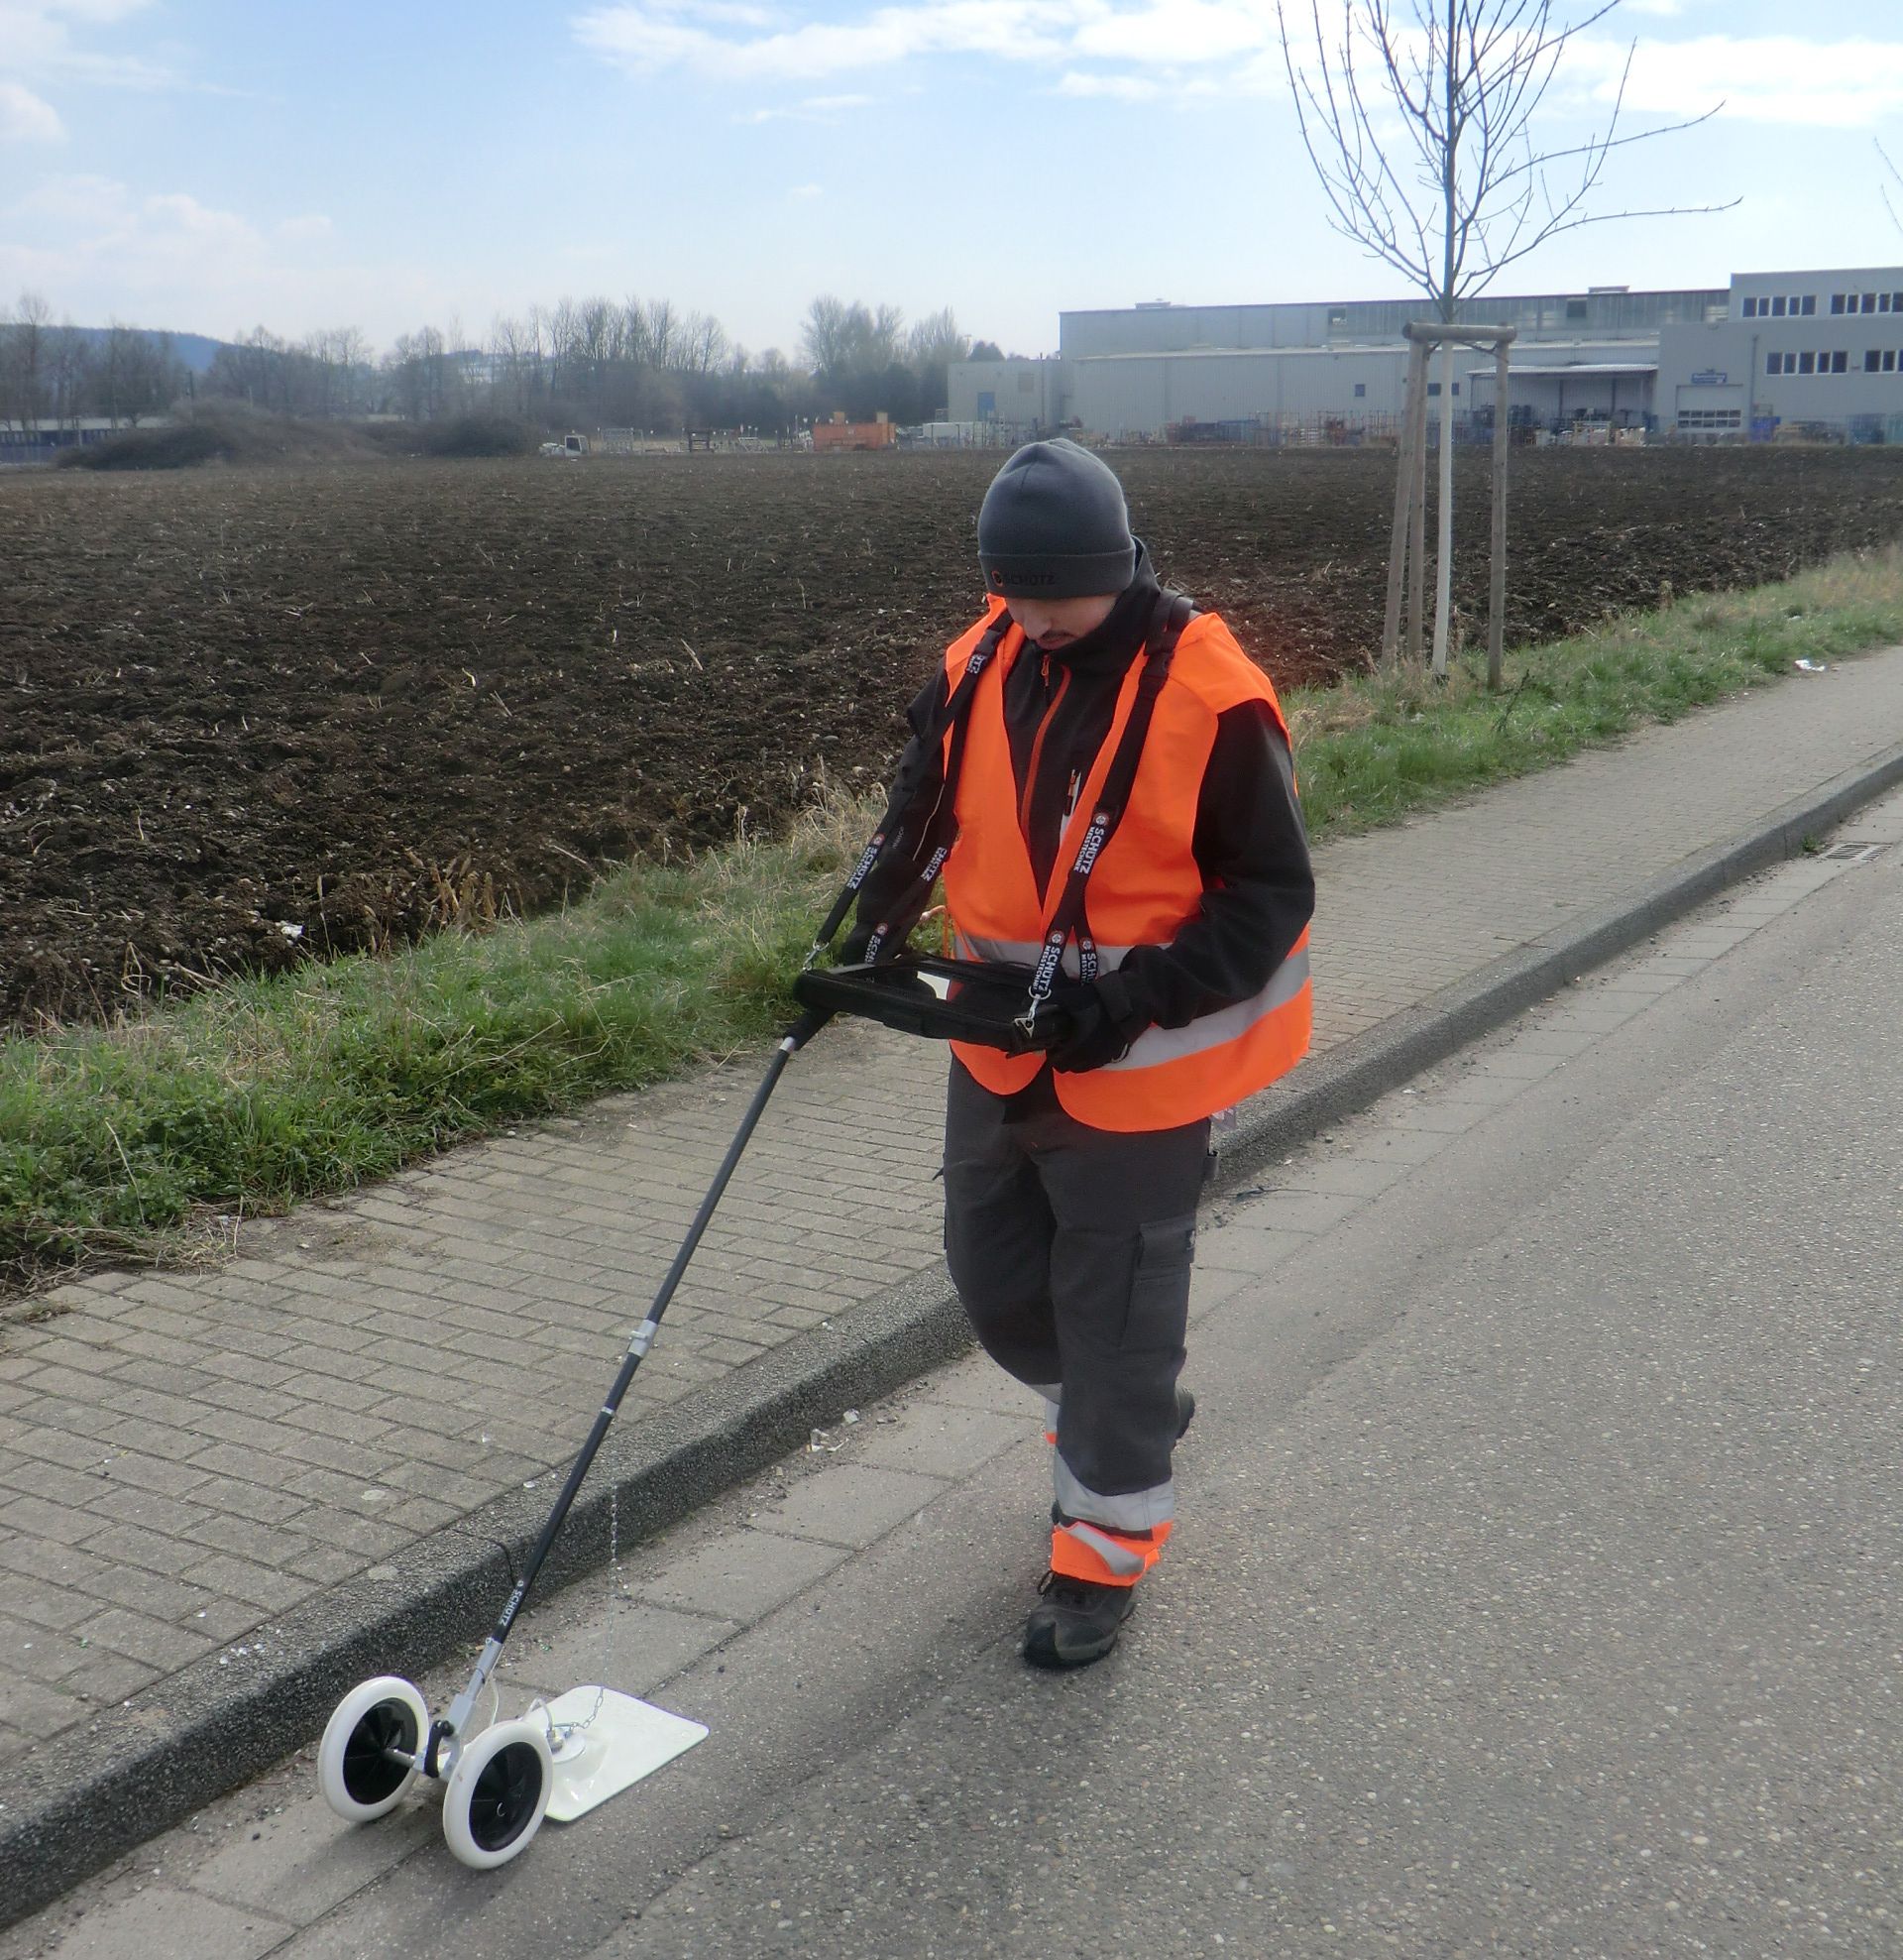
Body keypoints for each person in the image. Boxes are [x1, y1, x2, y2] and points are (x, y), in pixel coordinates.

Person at [846, 438, 1314, 1668]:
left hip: (1141, 1055)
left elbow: (1271, 897)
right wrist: (874, 922)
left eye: (1061, 596)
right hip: (1000, 1038)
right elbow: (919, 808)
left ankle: (1101, 1553)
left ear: (1119, 566)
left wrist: (1131, 1000)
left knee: (1113, 1307)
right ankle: (1128, 1408)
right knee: (992, 1275)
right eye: (1015, 593)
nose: (1036, 619)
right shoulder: (981, 658)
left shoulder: (1212, 693)